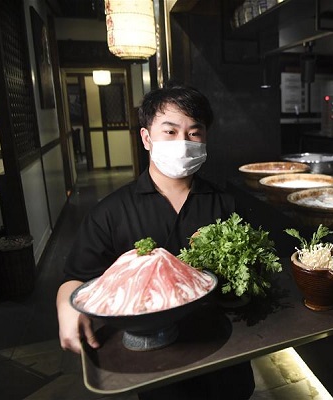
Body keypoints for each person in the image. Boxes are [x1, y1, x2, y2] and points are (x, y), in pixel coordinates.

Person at [55, 83, 255, 399]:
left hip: (223, 353)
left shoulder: (226, 204)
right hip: (154, 364)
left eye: (194, 133)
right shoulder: (111, 212)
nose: (184, 142)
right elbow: (76, 277)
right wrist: (67, 306)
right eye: (171, 132)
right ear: (147, 138)